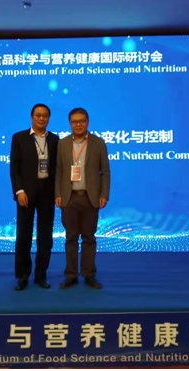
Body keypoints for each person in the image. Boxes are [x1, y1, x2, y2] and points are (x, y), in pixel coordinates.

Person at [55, 108, 110, 289]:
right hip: (69, 198)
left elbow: (105, 172)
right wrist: (58, 194)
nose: (78, 124)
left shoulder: (98, 143)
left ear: (87, 122)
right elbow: (59, 171)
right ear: (70, 123)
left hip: (90, 197)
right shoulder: (62, 144)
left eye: (82, 121)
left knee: (88, 237)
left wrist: (104, 194)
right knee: (70, 238)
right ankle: (71, 275)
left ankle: (89, 274)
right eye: (74, 121)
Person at [10, 104, 59, 291]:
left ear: (49, 118)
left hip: (47, 194)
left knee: (45, 237)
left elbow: (58, 169)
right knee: (24, 235)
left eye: (45, 115)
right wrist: (19, 191)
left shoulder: (54, 140)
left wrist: (58, 193)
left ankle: (41, 275)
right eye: (38, 115)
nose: (41, 118)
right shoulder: (19, 138)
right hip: (26, 194)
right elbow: (14, 168)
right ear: (32, 117)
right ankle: (23, 275)